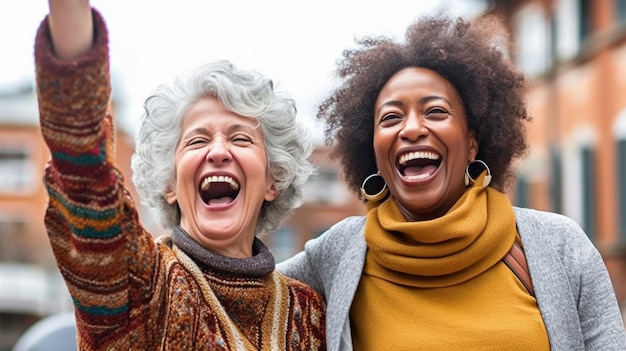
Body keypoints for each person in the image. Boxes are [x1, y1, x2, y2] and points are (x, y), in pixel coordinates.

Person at [277, 13, 626, 351]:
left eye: (435, 111)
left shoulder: (560, 247)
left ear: (472, 142)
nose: (411, 129)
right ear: (372, 150)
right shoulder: (336, 256)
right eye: (391, 117)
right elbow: (235, 291)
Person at [34, 0, 326, 349]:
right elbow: (83, 173)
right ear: (169, 184)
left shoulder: (310, 311)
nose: (218, 151)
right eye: (198, 140)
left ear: (273, 179)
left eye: (240, 138)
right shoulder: (138, 284)